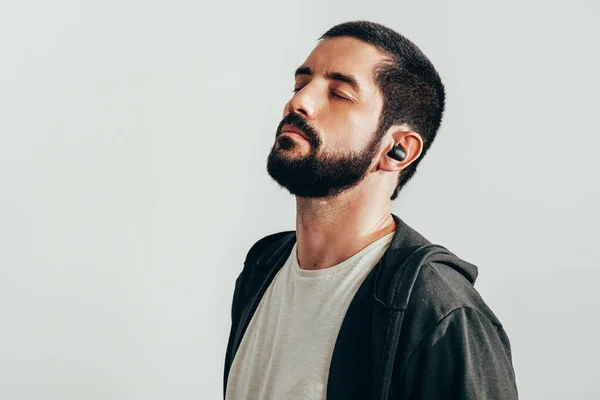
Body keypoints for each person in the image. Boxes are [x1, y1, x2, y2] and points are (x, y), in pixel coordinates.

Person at [223, 20, 518, 400]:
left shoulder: (439, 312)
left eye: (339, 93)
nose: (299, 101)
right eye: (301, 84)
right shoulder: (262, 268)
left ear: (398, 150)